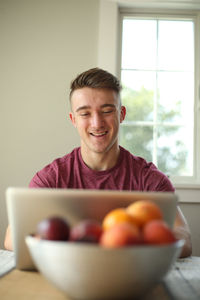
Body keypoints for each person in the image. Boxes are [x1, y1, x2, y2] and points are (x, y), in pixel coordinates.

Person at [4, 68, 192, 257]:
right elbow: (12, 238)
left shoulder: (149, 179)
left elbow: (183, 239)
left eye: (107, 111)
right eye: (85, 114)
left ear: (121, 114)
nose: (97, 123)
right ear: (73, 120)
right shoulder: (51, 178)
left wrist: (125, 241)